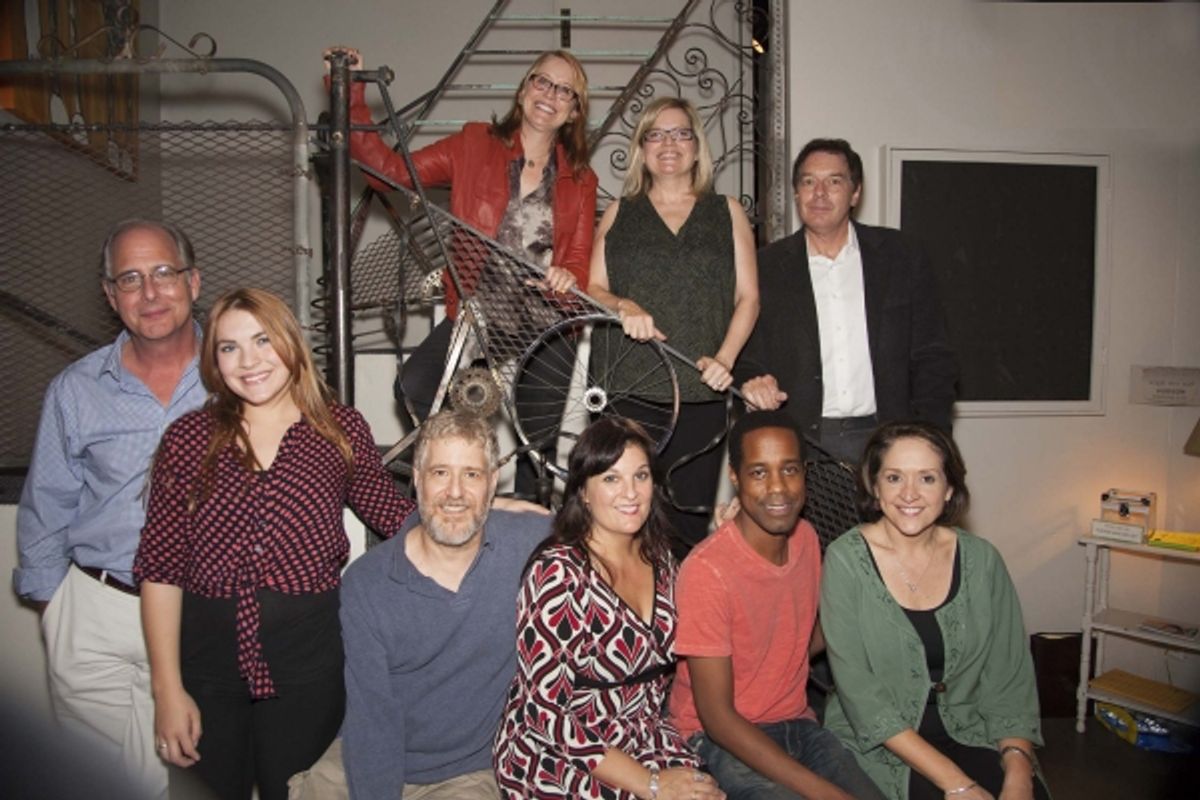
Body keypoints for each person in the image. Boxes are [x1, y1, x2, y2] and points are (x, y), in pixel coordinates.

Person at [134, 288, 418, 800]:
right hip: (206, 667)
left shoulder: (338, 428)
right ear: (214, 362)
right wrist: (167, 689)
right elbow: (161, 568)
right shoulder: (188, 438)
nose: (249, 361)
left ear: (290, 341)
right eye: (229, 347)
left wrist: (489, 510)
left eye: (263, 340)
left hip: (308, 667)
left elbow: (396, 517)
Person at [342, 47, 599, 499]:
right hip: (483, 312)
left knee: (533, 452)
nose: (550, 95)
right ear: (524, 89)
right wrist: (351, 93)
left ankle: (527, 540)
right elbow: (387, 173)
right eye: (542, 81)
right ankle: (457, 472)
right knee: (418, 384)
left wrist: (568, 275)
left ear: (574, 110)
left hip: (549, 321)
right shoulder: (474, 143)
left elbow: (578, 259)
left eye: (565, 91)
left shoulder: (581, 178)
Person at [14, 219, 208, 798]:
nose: (149, 294)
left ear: (193, 282)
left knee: (204, 780)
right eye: (129, 279)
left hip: (203, 617)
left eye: (163, 273)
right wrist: (59, 609)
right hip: (98, 610)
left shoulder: (239, 376)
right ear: (109, 296)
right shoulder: (76, 391)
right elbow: (46, 506)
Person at [288, 410, 552, 800]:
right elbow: (373, 719)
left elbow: (608, 523)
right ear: (416, 478)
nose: (456, 492)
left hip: (465, 772)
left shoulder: (527, 544)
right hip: (364, 756)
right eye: (440, 473)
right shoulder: (368, 584)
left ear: (494, 483)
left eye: (472, 475)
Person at [493, 417, 725, 800]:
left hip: (642, 735)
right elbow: (545, 715)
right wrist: (650, 784)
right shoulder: (558, 574)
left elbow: (710, 617)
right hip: (560, 750)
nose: (630, 493)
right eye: (611, 479)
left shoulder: (663, 561)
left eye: (641, 476)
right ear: (583, 490)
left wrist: (733, 534)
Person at [820, 422, 1048, 800]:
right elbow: (861, 697)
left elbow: (1011, 682)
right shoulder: (845, 561)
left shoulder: (983, 561)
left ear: (950, 488)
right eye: (894, 477)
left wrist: (1019, 773)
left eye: (927, 478)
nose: (909, 494)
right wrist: (957, 784)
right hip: (879, 744)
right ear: (875, 488)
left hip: (973, 731)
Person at [669, 410, 885, 800]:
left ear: (805, 472)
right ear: (734, 476)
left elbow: (797, 638)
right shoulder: (707, 571)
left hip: (797, 724)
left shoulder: (806, 538)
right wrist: (826, 794)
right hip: (718, 741)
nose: (778, 489)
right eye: (758, 472)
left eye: (789, 470)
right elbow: (717, 719)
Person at [588, 96, 759, 548]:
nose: (669, 143)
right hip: (626, 389)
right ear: (642, 148)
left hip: (700, 392)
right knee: (625, 523)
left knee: (686, 526)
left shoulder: (726, 212)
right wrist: (623, 304)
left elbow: (749, 297)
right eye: (656, 134)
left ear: (697, 147)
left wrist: (725, 359)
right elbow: (593, 288)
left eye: (681, 133)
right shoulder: (619, 213)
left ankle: (677, 617)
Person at [739, 139, 958, 465]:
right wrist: (752, 382)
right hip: (802, 444)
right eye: (808, 182)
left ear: (855, 193)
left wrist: (930, 439)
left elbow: (933, 355)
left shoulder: (901, 257)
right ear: (797, 193)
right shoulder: (765, 266)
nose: (820, 193)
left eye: (834, 181)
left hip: (888, 440)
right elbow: (746, 357)